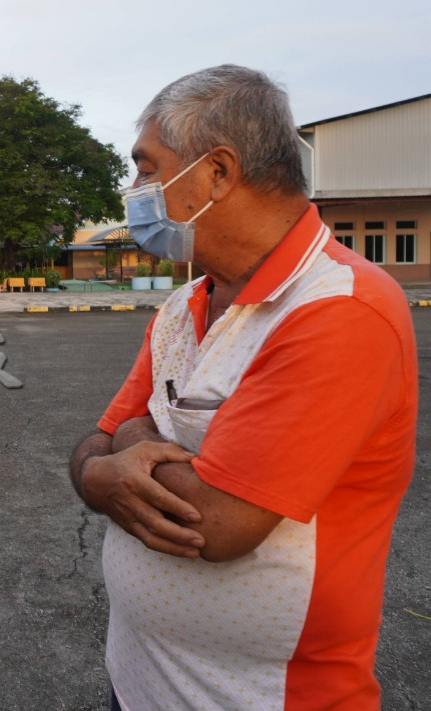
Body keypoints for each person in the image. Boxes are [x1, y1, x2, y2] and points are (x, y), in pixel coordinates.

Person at [68, 65, 417, 711]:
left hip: (267, 695)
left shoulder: (340, 308)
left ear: (218, 172)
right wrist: (95, 475)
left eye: (147, 169)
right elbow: (99, 438)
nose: (135, 191)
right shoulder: (184, 305)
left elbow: (219, 523)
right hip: (140, 680)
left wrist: (134, 441)